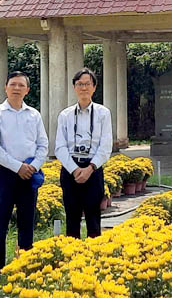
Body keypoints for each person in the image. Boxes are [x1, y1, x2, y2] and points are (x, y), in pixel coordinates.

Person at [0, 71, 48, 278]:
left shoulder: (34, 115)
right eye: (13, 84)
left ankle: (25, 268)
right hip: (5, 174)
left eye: (21, 85)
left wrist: (34, 166)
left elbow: (43, 144)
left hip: (30, 173)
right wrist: (17, 167)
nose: (17, 88)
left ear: (27, 90)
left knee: (27, 223)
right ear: (5, 87)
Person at [55, 67, 112, 239]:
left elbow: (106, 145)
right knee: (72, 219)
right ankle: (72, 258)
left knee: (94, 219)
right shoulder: (65, 115)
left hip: (93, 169)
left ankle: (93, 261)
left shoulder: (103, 113)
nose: (84, 88)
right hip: (70, 169)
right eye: (80, 84)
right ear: (74, 87)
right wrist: (74, 169)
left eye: (87, 84)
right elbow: (59, 146)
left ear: (94, 87)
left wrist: (90, 168)